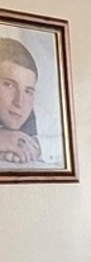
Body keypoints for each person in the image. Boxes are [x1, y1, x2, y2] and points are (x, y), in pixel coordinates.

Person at [0, 37, 42, 166]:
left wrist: (27, 147)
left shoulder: (29, 116)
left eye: (28, 91)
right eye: (9, 85)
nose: (20, 102)